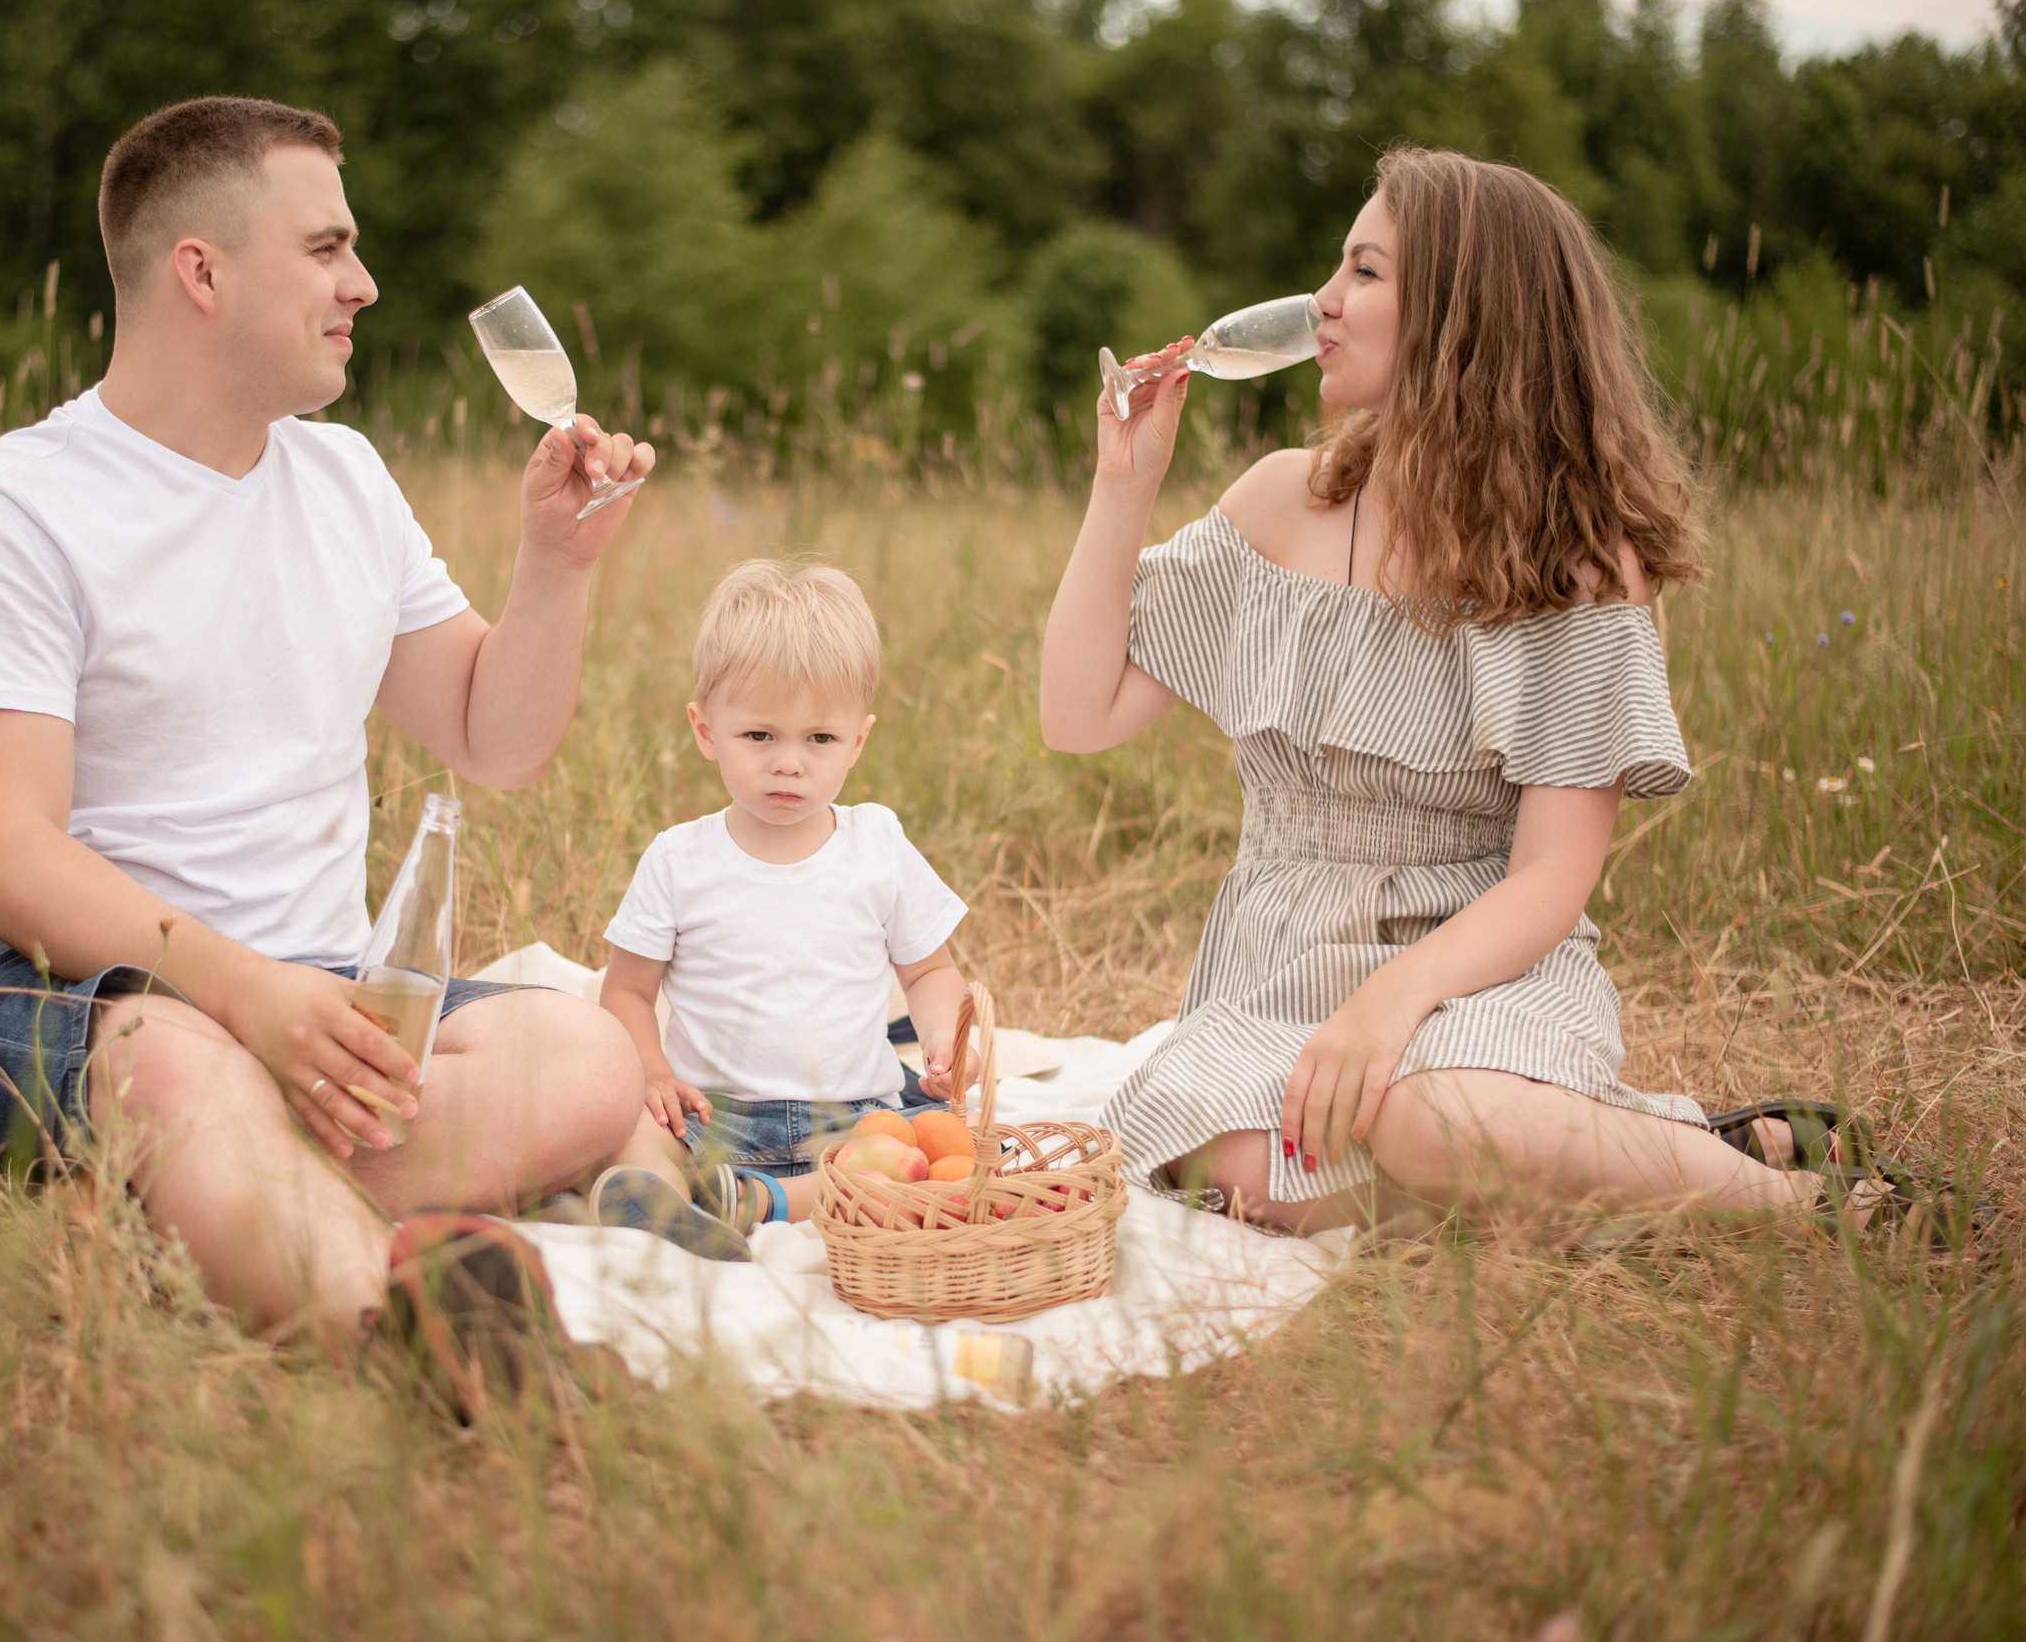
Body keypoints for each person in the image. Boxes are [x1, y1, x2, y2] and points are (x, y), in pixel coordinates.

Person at [1041, 146, 1959, 1240]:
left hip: (1476, 960)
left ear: (1466, 314)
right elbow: (1076, 712)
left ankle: (1809, 1208)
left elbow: (1550, 878)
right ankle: (1646, 1151)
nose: (1322, 305)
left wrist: (1392, 1002)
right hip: (1282, 957)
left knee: (1427, 1124)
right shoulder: (1281, 499)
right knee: (1220, 1166)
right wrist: (1123, 484)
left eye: (1364, 274)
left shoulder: (1571, 559)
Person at [0, 96, 653, 1394]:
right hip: (70, 996)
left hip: (316, 998)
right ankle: (413, 1333)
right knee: (178, 1059)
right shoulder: (13, 513)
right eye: (326, 248)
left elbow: (496, 737)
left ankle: (190, 1200)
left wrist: (556, 567)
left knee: (588, 1054)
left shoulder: (346, 481)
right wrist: (250, 997)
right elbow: (2, 861)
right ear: (203, 270)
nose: (363, 283)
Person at [589, 560, 971, 1258]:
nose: (789, 762)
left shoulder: (876, 845)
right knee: (632, 1126)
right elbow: (628, 990)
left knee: (924, 1158)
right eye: (760, 736)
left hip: (854, 1116)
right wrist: (652, 1072)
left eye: (818, 739)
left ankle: (757, 1202)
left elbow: (929, 973)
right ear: (706, 731)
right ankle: (656, 1195)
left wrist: (945, 1037)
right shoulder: (680, 861)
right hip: (715, 1113)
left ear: (857, 740)